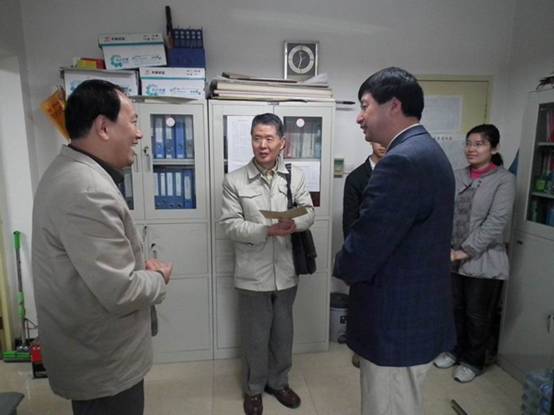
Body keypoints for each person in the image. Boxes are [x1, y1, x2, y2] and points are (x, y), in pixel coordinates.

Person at [32, 80, 173, 415]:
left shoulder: (70, 171)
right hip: (104, 364)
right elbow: (121, 291)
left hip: (93, 353)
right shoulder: (86, 190)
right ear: (103, 127)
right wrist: (159, 277)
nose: (139, 134)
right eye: (133, 121)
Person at [333, 67, 456, 415]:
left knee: (388, 406)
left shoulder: (401, 162)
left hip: (395, 324)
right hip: (416, 314)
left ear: (394, 105)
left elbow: (366, 244)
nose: (359, 117)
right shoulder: (428, 151)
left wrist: (342, 265)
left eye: (365, 106)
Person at [220, 113, 315, 415]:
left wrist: (294, 224)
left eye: (269, 138)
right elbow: (230, 225)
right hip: (252, 273)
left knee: (283, 334)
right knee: (256, 336)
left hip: (286, 271)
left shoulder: (294, 176)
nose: (262, 145)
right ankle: (254, 389)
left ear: (281, 143)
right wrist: (266, 230)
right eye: (257, 138)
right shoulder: (234, 180)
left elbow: (309, 211)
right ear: (251, 140)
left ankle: (279, 383)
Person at [433, 124, 515, 383]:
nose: (471, 149)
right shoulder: (457, 175)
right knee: (453, 308)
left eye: (479, 144)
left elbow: (496, 222)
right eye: (469, 143)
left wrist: (464, 251)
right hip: (450, 256)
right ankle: (453, 350)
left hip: (483, 259)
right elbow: (442, 211)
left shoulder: (504, 180)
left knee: (477, 315)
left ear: (494, 148)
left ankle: (473, 361)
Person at [342, 141, 386, 368]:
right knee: (362, 304)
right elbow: (349, 222)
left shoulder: (400, 171)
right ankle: (360, 349)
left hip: (391, 253)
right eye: (377, 140)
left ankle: (382, 348)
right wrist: (354, 256)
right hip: (364, 252)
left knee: (386, 304)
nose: (382, 145)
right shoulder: (357, 177)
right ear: (370, 140)